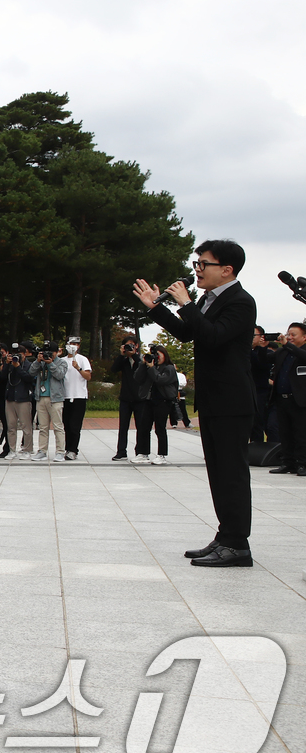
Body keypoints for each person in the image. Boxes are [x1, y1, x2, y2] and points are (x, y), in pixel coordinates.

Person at [134, 239, 257, 567]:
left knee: (232, 473)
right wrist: (155, 308)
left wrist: (186, 302)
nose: (197, 270)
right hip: (214, 400)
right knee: (218, 472)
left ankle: (238, 545)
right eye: (197, 263)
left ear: (227, 269)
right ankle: (225, 536)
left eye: (204, 264)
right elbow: (189, 333)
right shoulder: (208, 299)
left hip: (233, 400)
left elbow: (214, 336)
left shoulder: (241, 302)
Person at [267, 323, 306, 476]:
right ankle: (287, 462)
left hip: (299, 400)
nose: (289, 337)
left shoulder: (300, 351)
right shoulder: (283, 352)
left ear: (304, 337)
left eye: (293, 335)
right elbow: (265, 360)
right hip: (282, 400)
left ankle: (302, 464)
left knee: (301, 434)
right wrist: (262, 346)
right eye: (288, 334)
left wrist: (287, 345)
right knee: (285, 433)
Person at [134, 345, 178, 465]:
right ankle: (143, 453)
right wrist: (143, 364)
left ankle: (162, 455)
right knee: (143, 428)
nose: (156, 358)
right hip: (149, 400)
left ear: (164, 355)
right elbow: (138, 378)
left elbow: (160, 380)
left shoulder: (169, 368)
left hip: (163, 401)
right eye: (155, 355)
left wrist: (152, 368)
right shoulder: (149, 366)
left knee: (160, 428)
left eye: (158, 355)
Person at [31, 344, 68, 462]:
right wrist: (38, 361)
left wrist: (50, 363)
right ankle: (42, 451)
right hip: (41, 397)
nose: (48, 355)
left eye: (51, 352)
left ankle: (60, 452)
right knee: (43, 427)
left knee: (58, 426)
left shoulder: (61, 362)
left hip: (55, 398)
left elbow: (60, 375)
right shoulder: (40, 362)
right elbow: (31, 372)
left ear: (57, 352)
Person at [109, 336, 143, 461]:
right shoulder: (123, 360)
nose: (129, 348)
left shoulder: (141, 358)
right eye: (127, 345)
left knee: (141, 426)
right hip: (125, 397)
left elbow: (141, 367)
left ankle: (140, 451)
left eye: (131, 345)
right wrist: (122, 355)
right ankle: (121, 451)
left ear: (137, 346)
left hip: (140, 398)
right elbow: (113, 369)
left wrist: (134, 355)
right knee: (123, 426)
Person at [1, 342, 36, 460]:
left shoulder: (29, 365)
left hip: (23, 398)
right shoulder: (9, 364)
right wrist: (6, 364)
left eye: (19, 355)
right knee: (11, 426)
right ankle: (11, 450)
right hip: (10, 398)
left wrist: (18, 367)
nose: (17, 357)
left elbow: (29, 378)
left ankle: (27, 449)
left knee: (26, 426)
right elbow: (2, 377)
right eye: (15, 354)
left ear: (25, 355)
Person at [60, 337, 92, 460]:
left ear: (78, 346)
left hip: (79, 396)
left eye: (75, 344)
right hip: (65, 396)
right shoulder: (62, 360)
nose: (72, 346)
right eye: (70, 344)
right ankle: (67, 448)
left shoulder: (82, 359)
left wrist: (78, 368)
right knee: (66, 425)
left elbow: (88, 376)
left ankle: (73, 450)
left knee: (75, 425)